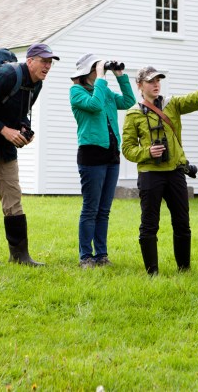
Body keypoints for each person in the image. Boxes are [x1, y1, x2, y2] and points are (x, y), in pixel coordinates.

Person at [121, 66, 198, 275]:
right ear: (139, 85)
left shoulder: (172, 105)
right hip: (149, 174)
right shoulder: (133, 114)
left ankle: (185, 269)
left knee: (182, 223)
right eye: (150, 81)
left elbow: (193, 99)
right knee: (149, 224)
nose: (156, 84)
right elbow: (127, 149)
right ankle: (152, 273)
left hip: (175, 172)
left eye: (158, 80)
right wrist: (148, 151)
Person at [0, 43, 59, 267]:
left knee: (13, 197)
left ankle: (20, 256)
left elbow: (21, 114)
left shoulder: (36, 85)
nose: (47, 66)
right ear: (30, 62)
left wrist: (24, 130)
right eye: (43, 61)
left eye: (50, 62)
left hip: (6, 144)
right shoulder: (6, 75)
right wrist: (5, 130)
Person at [69, 54, 136, 268]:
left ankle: (101, 255)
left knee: (104, 209)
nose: (101, 71)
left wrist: (120, 76)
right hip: (91, 154)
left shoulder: (103, 88)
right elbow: (96, 105)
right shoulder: (76, 92)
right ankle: (85, 257)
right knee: (91, 208)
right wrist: (100, 77)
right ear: (87, 71)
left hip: (111, 155)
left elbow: (128, 101)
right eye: (97, 68)